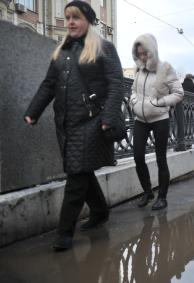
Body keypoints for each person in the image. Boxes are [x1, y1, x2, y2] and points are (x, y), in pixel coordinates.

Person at [24, 0, 124, 251]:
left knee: (76, 176)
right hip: (67, 124)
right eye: (67, 17)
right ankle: (100, 211)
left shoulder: (103, 48)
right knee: (81, 170)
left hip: (92, 122)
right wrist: (33, 111)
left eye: (76, 17)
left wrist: (108, 118)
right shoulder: (62, 52)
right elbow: (49, 85)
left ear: (88, 21)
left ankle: (64, 234)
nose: (70, 22)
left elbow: (115, 84)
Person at [130, 33, 184, 210]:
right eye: (139, 54)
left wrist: (160, 103)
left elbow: (178, 93)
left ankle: (162, 197)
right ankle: (147, 191)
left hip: (160, 118)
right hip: (140, 119)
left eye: (146, 53)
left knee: (161, 158)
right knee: (138, 156)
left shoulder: (165, 68)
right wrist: (134, 101)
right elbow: (133, 90)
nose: (143, 57)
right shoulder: (138, 69)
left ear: (153, 51)